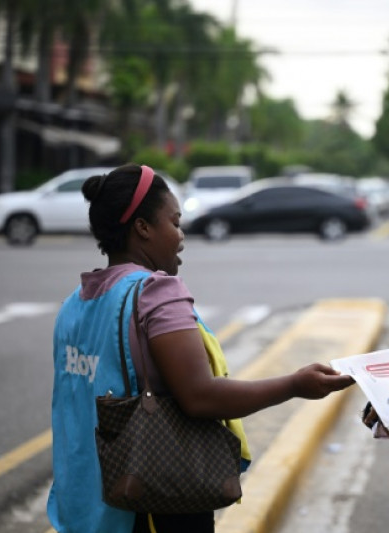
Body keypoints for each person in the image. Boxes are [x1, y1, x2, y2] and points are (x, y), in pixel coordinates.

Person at [47, 164, 354, 533]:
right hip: (148, 507)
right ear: (143, 229)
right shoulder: (156, 293)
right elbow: (200, 397)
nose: (181, 235)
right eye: (174, 222)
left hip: (84, 510)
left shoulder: (75, 303)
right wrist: (294, 385)